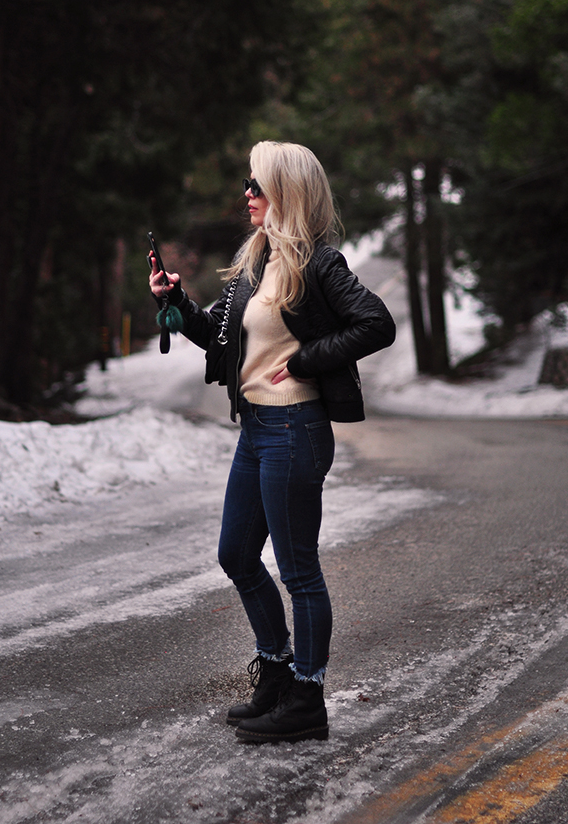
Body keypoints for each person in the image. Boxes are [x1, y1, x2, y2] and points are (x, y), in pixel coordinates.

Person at [149, 141, 395, 744]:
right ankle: (279, 672)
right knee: (236, 553)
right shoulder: (256, 263)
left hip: (295, 430)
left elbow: (376, 323)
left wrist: (309, 359)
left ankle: (307, 699)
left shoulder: (317, 264)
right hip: (257, 429)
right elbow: (222, 339)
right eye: (246, 184)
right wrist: (177, 302)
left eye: (256, 186)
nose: (247, 195)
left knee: (298, 570)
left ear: (285, 192)